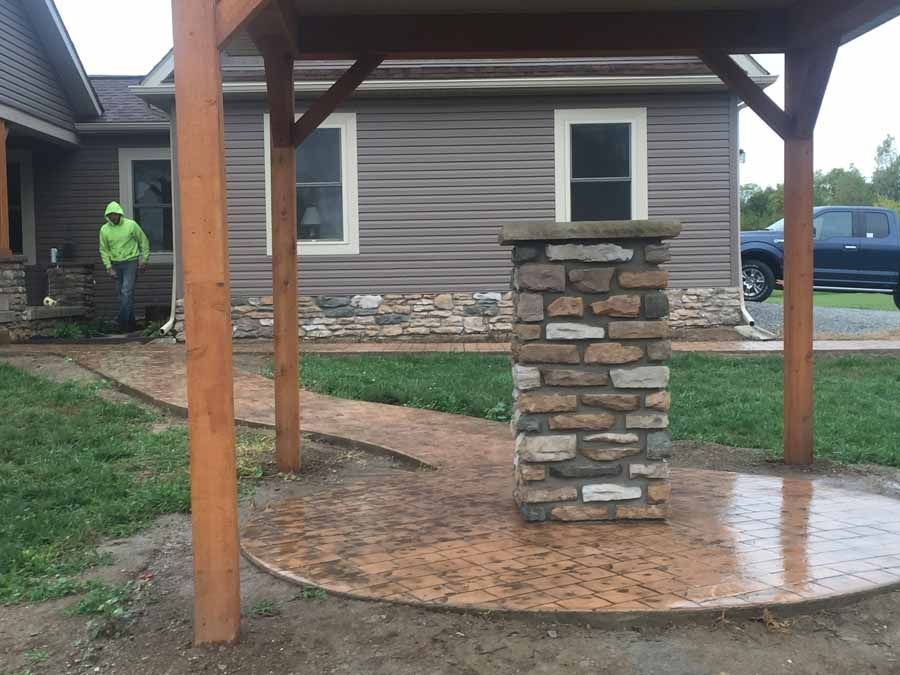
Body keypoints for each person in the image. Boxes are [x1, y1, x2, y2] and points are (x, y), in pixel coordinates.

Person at [99, 201, 150, 332]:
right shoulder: (104, 229)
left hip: (130, 262)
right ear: (107, 216)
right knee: (122, 295)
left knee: (126, 291)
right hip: (115, 264)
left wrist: (144, 259)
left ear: (119, 213)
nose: (112, 217)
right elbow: (103, 250)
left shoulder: (131, 225)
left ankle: (120, 322)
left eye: (114, 214)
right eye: (110, 215)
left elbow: (143, 241)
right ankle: (131, 325)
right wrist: (108, 267)